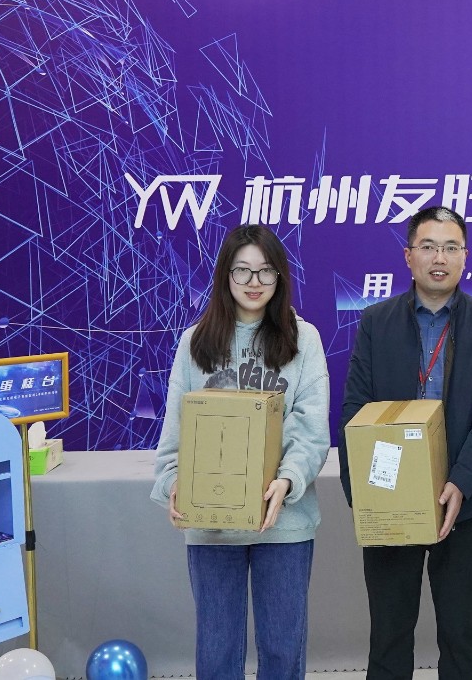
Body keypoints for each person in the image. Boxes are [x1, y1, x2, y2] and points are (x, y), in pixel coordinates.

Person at [339, 206, 472, 680]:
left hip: (466, 502)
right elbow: (355, 410)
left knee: (461, 636)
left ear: (465, 257)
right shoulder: (376, 321)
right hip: (391, 495)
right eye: (429, 246)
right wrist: (365, 495)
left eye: (451, 247)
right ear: (408, 256)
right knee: (389, 633)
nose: (440, 258)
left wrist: (460, 483)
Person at [151, 224, 331, 680]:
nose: (254, 282)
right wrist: (173, 483)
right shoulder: (194, 342)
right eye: (242, 271)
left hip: (283, 520)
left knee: (283, 649)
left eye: (266, 271)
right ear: (224, 276)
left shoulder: (303, 339)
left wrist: (286, 482)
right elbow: (175, 431)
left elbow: (312, 430)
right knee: (216, 652)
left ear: (280, 277)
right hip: (212, 523)